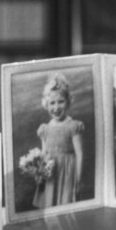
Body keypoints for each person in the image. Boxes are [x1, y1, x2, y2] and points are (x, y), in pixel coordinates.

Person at [33, 72, 85, 209]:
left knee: (66, 207)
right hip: (51, 175)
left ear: (68, 102)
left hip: (67, 174)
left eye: (61, 102)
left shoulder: (73, 126)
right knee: (50, 206)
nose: (56, 107)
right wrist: (40, 173)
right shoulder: (45, 129)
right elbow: (44, 155)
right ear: (46, 104)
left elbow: (79, 154)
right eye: (52, 103)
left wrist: (78, 180)